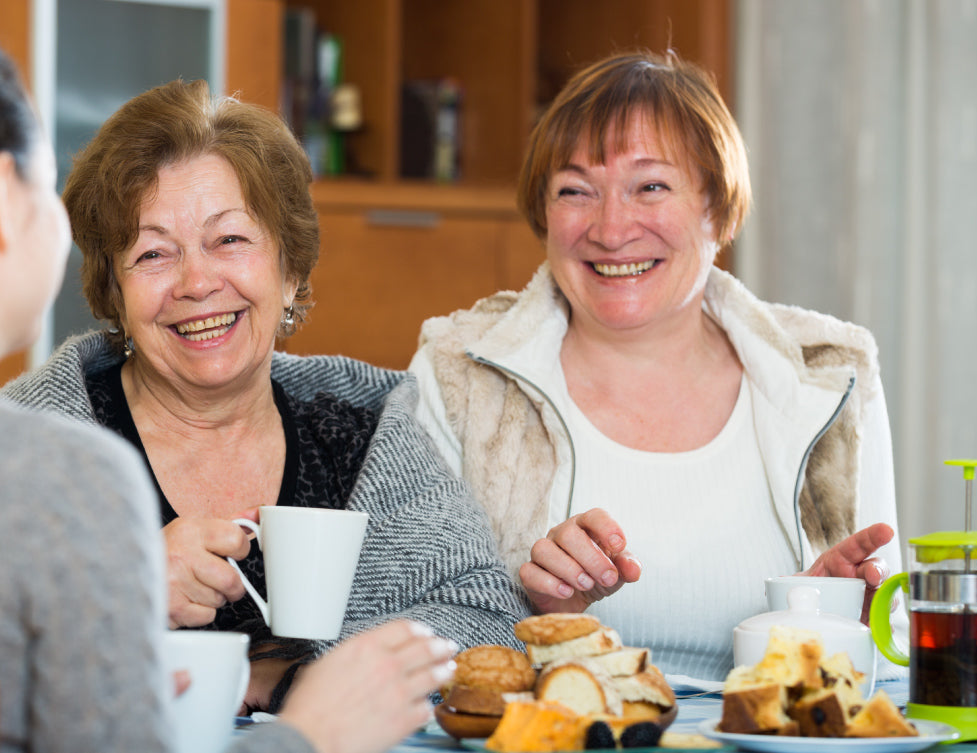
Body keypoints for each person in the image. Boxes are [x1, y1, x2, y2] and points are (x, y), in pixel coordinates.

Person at [1, 76, 528, 711]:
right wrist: (114, 592)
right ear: (113, 292)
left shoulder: (363, 428)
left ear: (290, 269)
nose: (197, 283)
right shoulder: (35, 435)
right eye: (153, 255)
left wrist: (293, 682)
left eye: (229, 240)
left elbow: (489, 623)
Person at [409, 50, 906, 681]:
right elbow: (399, 637)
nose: (612, 230)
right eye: (575, 191)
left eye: (651, 186)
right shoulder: (457, 374)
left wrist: (825, 632)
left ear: (717, 209)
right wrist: (532, 615)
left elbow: (894, 657)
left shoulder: (830, 375)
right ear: (542, 215)